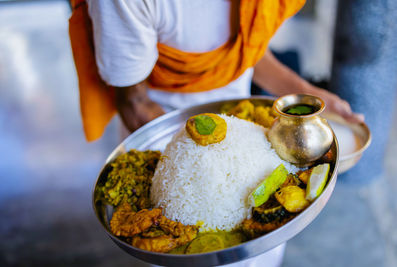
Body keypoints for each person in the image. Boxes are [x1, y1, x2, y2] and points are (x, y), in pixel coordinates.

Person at [69, 0, 364, 266]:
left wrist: (309, 97)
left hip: (249, 139)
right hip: (165, 147)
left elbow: (248, 53)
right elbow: (134, 104)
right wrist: (190, 159)